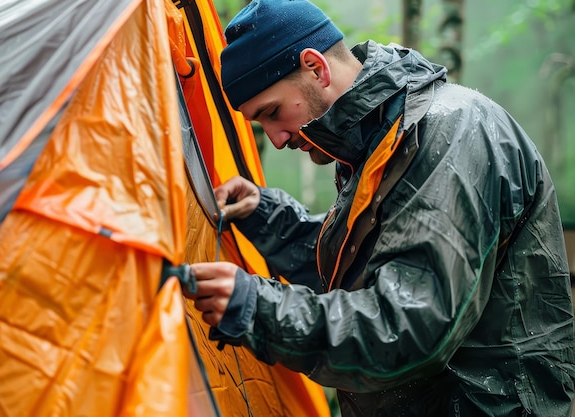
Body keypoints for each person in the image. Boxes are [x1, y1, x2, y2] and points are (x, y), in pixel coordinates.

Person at [184, 0, 575, 415]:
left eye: (273, 113)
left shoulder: (448, 134)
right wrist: (267, 218)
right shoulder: (378, 143)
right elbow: (368, 263)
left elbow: (410, 327)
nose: (277, 139)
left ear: (316, 67)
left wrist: (257, 307)